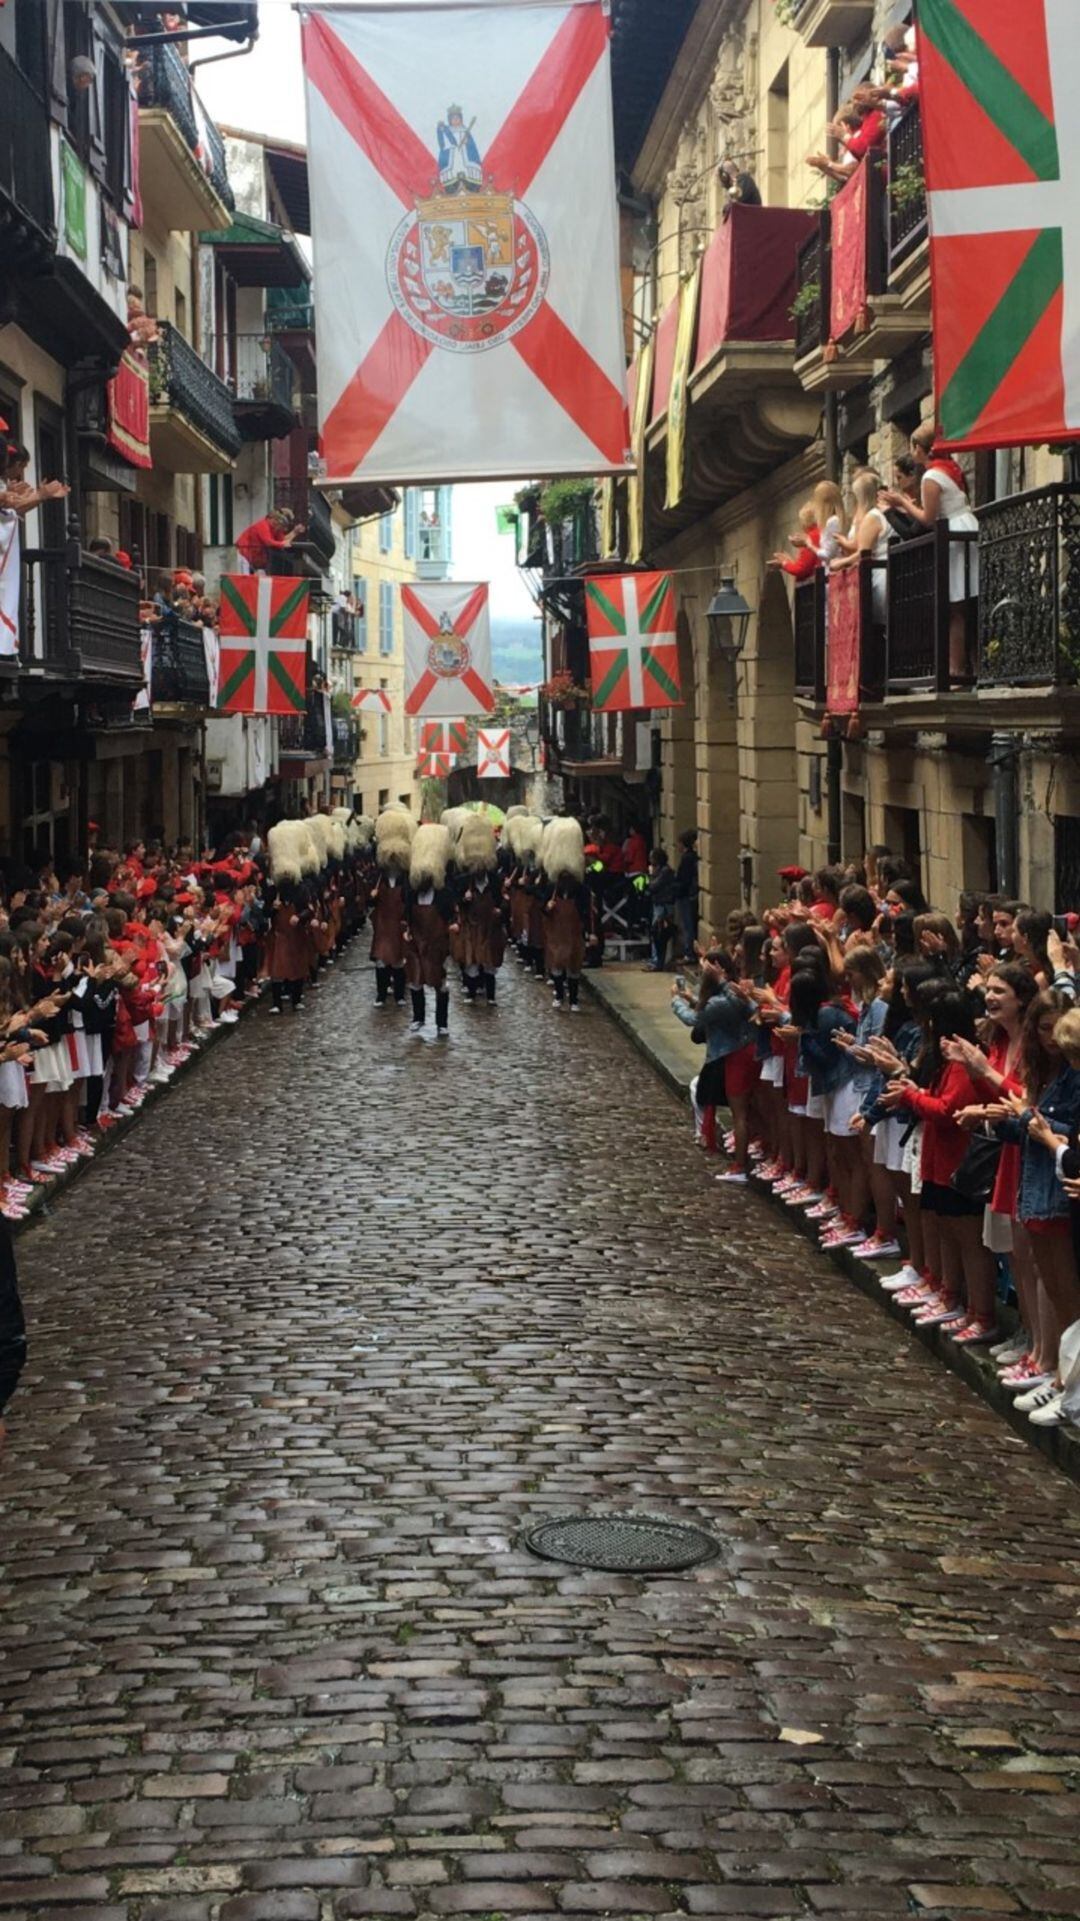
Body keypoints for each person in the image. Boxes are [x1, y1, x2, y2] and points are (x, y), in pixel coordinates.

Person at [880, 422, 978, 679]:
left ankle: (955, 669)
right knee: (964, 601)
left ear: (918, 448)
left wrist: (900, 502)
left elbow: (928, 518)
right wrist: (903, 508)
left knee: (955, 604)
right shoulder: (951, 468)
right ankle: (968, 665)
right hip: (965, 525)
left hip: (952, 532)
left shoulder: (931, 476)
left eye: (912, 447)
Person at [405, 823, 459, 1037]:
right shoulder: (411, 893)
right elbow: (406, 914)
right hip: (417, 941)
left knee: (440, 983)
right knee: (416, 980)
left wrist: (454, 923)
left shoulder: (443, 894)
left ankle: (441, 1023)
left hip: (437, 943)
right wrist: (406, 929)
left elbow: (451, 914)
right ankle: (418, 1018)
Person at [236, 508, 305, 574]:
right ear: (272, 518)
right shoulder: (263, 525)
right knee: (244, 579)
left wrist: (295, 532)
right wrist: (282, 544)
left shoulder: (275, 528)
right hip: (243, 555)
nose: (279, 526)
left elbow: (282, 540)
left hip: (255, 561)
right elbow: (269, 542)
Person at [673, 829, 699, 961]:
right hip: (688, 894)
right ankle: (690, 951)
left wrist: (676, 888)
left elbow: (684, 878)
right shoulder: (692, 857)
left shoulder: (687, 858)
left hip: (685, 895)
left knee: (688, 925)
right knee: (689, 924)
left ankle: (689, 953)